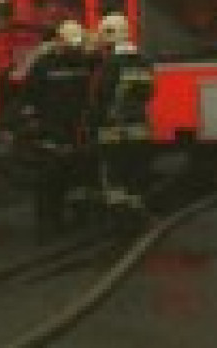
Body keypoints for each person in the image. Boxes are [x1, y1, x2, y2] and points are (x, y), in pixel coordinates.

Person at [23, 19, 93, 240]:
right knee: (49, 179)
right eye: (71, 46)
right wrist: (35, 127)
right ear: (60, 42)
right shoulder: (42, 65)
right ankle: (47, 226)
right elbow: (30, 97)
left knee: (71, 178)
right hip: (50, 132)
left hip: (73, 130)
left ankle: (67, 222)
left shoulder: (82, 63)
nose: (74, 50)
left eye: (76, 47)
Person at [89, 13, 155, 213]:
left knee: (114, 172)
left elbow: (103, 94)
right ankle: (136, 209)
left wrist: (94, 120)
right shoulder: (144, 61)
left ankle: (119, 213)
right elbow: (148, 92)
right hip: (139, 125)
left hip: (112, 128)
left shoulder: (111, 63)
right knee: (136, 170)